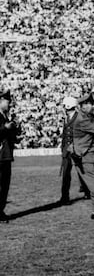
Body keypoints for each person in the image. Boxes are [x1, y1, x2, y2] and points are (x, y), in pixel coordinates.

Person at [59, 96, 89, 205]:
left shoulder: (77, 117)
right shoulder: (66, 117)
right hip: (67, 150)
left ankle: (87, 191)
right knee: (66, 174)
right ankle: (65, 196)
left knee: (82, 171)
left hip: (76, 149)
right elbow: (64, 135)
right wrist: (63, 149)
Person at [0, 90, 20, 223]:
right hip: (0, 155)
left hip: (6, 155)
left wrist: (16, 136)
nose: (9, 104)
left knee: (5, 185)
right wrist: (5, 127)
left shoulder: (5, 116)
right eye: (7, 101)